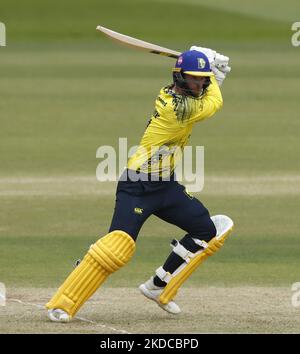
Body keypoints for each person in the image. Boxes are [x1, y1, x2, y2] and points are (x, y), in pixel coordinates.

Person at [46, 47, 233, 322]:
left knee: (206, 229)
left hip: (165, 187)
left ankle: (157, 286)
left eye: (203, 79)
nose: (200, 84)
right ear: (180, 78)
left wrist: (209, 73)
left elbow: (207, 98)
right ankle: (63, 303)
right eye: (195, 79)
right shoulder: (177, 108)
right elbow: (213, 105)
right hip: (137, 185)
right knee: (115, 249)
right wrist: (216, 79)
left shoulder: (182, 95)